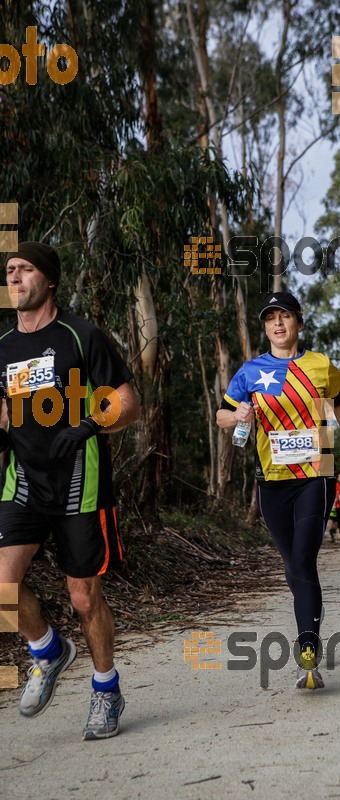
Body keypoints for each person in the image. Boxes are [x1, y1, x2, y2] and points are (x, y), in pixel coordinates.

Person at [0, 242, 141, 740]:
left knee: (83, 598)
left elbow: (128, 403)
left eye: (25, 270)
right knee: (2, 587)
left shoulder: (81, 336)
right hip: (23, 484)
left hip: (79, 486)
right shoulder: (4, 348)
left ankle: (106, 689)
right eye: (10, 271)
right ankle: (48, 651)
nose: (15, 279)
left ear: (49, 279)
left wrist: (85, 426)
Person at [216, 292, 340, 690]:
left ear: (299, 323)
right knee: (292, 565)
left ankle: (307, 653)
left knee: (303, 559)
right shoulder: (250, 371)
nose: (278, 324)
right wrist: (237, 414)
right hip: (272, 481)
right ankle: (309, 630)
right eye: (270, 319)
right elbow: (221, 415)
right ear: (264, 327)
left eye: (285, 316)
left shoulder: (320, 365)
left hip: (315, 476)